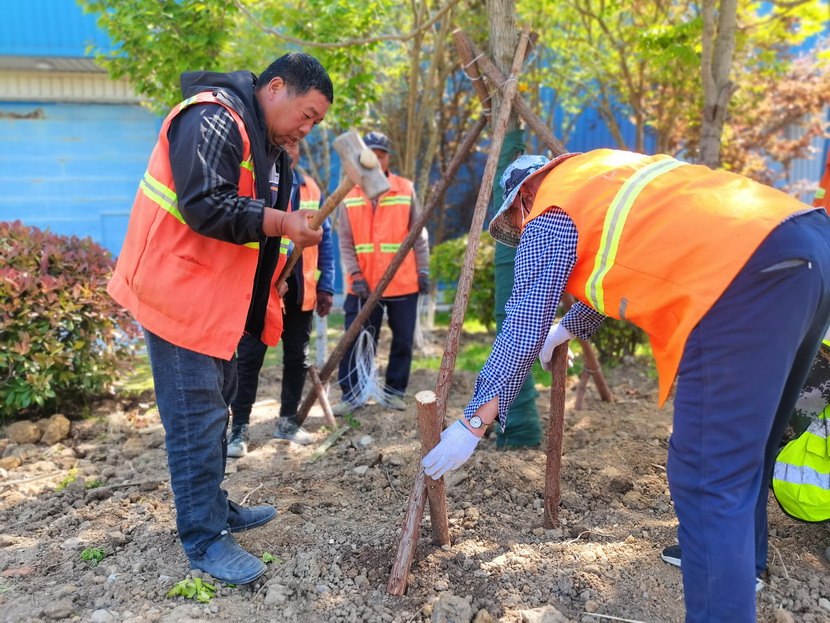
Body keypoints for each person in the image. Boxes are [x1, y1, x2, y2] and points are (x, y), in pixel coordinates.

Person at [422, 149, 830, 622]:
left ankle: (723, 590)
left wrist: (474, 422)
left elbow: (524, 322)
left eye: (516, 220)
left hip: (743, 280)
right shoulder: (601, 173)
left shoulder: (549, 209)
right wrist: (569, 327)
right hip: (809, 245)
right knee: (750, 446)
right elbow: (623, 260)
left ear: (523, 196)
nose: (522, 229)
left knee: (705, 475)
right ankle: (740, 562)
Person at [108, 53, 333, 585]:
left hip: (214, 302)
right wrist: (283, 221)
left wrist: (271, 280)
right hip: (176, 294)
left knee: (218, 407)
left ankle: (212, 507)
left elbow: (254, 233)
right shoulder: (212, 117)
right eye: (306, 114)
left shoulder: (268, 147)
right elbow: (206, 203)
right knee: (196, 418)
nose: (307, 128)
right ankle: (204, 537)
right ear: (274, 87)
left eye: (315, 122)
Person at [228, 140, 335, 454]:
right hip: (263, 291)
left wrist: (326, 287)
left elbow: (325, 242)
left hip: (300, 291)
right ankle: (239, 429)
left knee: (297, 359)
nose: (290, 148)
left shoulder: (311, 190)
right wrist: (264, 281)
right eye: (284, 142)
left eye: (295, 144)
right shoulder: (259, 182)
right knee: (249, 359)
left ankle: (288, 421)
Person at [332, 131, 430, 414]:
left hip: (403, 283)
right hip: (363, 285)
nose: (376, 159)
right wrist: (355, 276)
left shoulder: (404, 189)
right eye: (371, 154)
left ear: (388, 158)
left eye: (381, 155)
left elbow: (418, 234)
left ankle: (394, 392)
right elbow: (345, 242)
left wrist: (423, 270)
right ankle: (352, 395)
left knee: (402, 341)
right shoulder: (349, 192)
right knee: (355, 341)